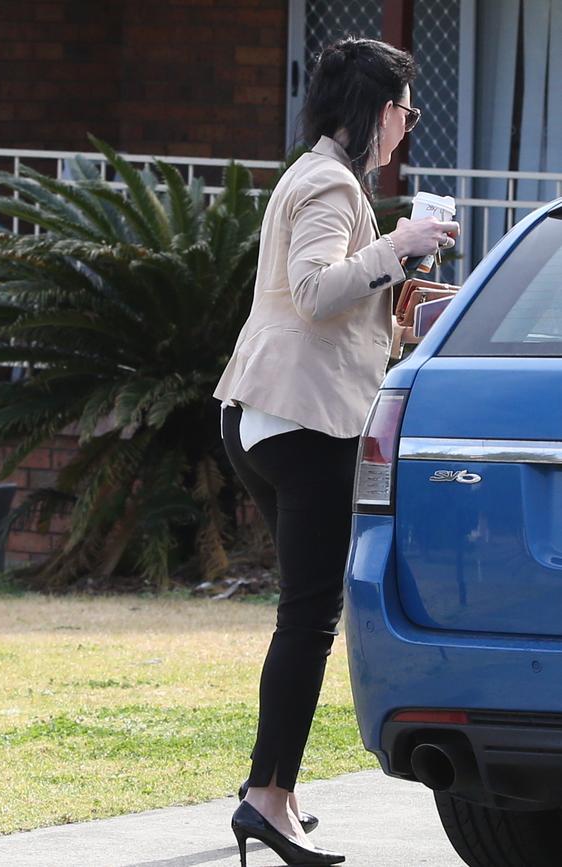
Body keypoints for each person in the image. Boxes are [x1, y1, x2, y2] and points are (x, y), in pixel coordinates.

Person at [215, 36, 459, 867]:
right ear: (377, 111)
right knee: (309, 614)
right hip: (300, 421)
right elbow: (317, 289)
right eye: (404, 112)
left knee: (305, 611)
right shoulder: (326, 181)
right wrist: (397, 243)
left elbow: (325, 304)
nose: (405, 129)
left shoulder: (319, 175)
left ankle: (273, 788)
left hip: (275, 412)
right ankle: (265, 797)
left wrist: (404, 291)